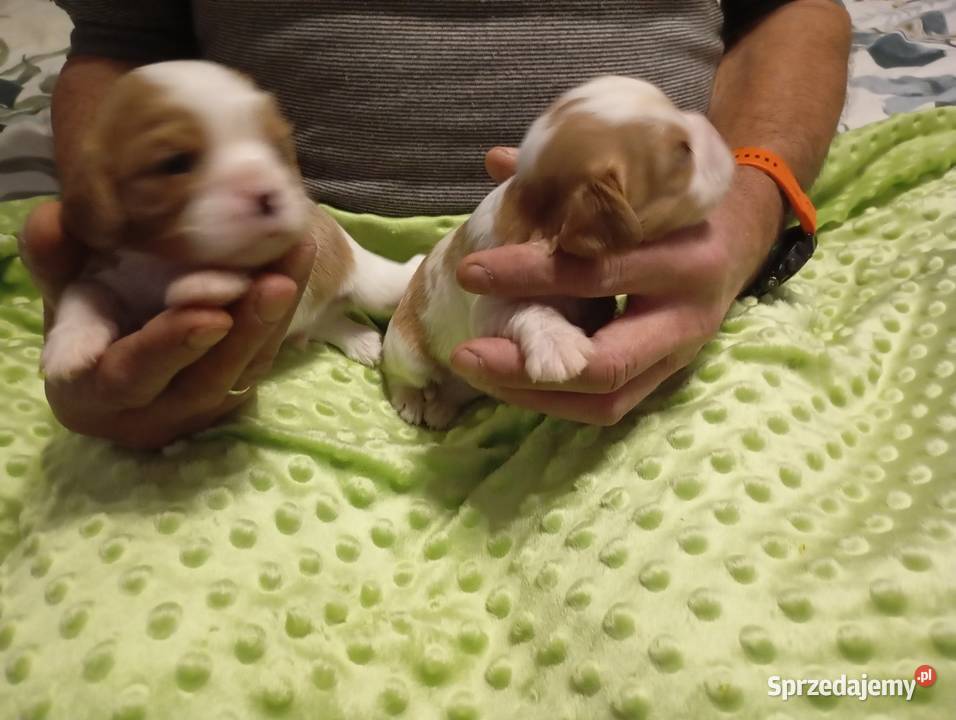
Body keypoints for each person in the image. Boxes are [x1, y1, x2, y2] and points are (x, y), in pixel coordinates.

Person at [22, 1, 852, 448]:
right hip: (265, 348)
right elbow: (120, 35)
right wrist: (111, 246)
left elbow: (794, 8)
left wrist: (753, 199)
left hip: (705, 267)